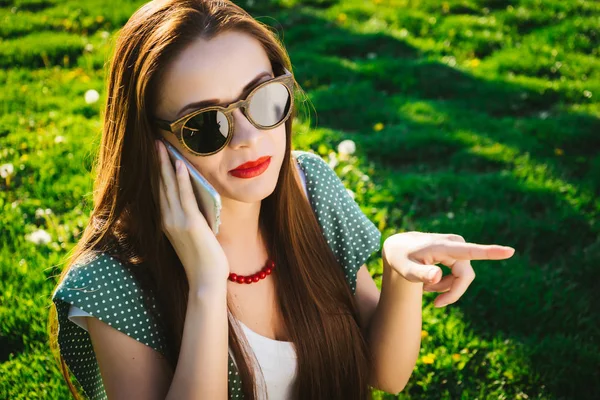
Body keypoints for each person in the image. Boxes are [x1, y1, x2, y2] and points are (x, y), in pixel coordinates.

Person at [48, 1, 516, 399]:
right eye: (206, 125)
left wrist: (398, 269)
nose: (251, 138)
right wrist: (207, 285)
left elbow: (383, 373)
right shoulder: (109, 280)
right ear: (149, 142)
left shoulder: (310, 187)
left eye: (264, 98)